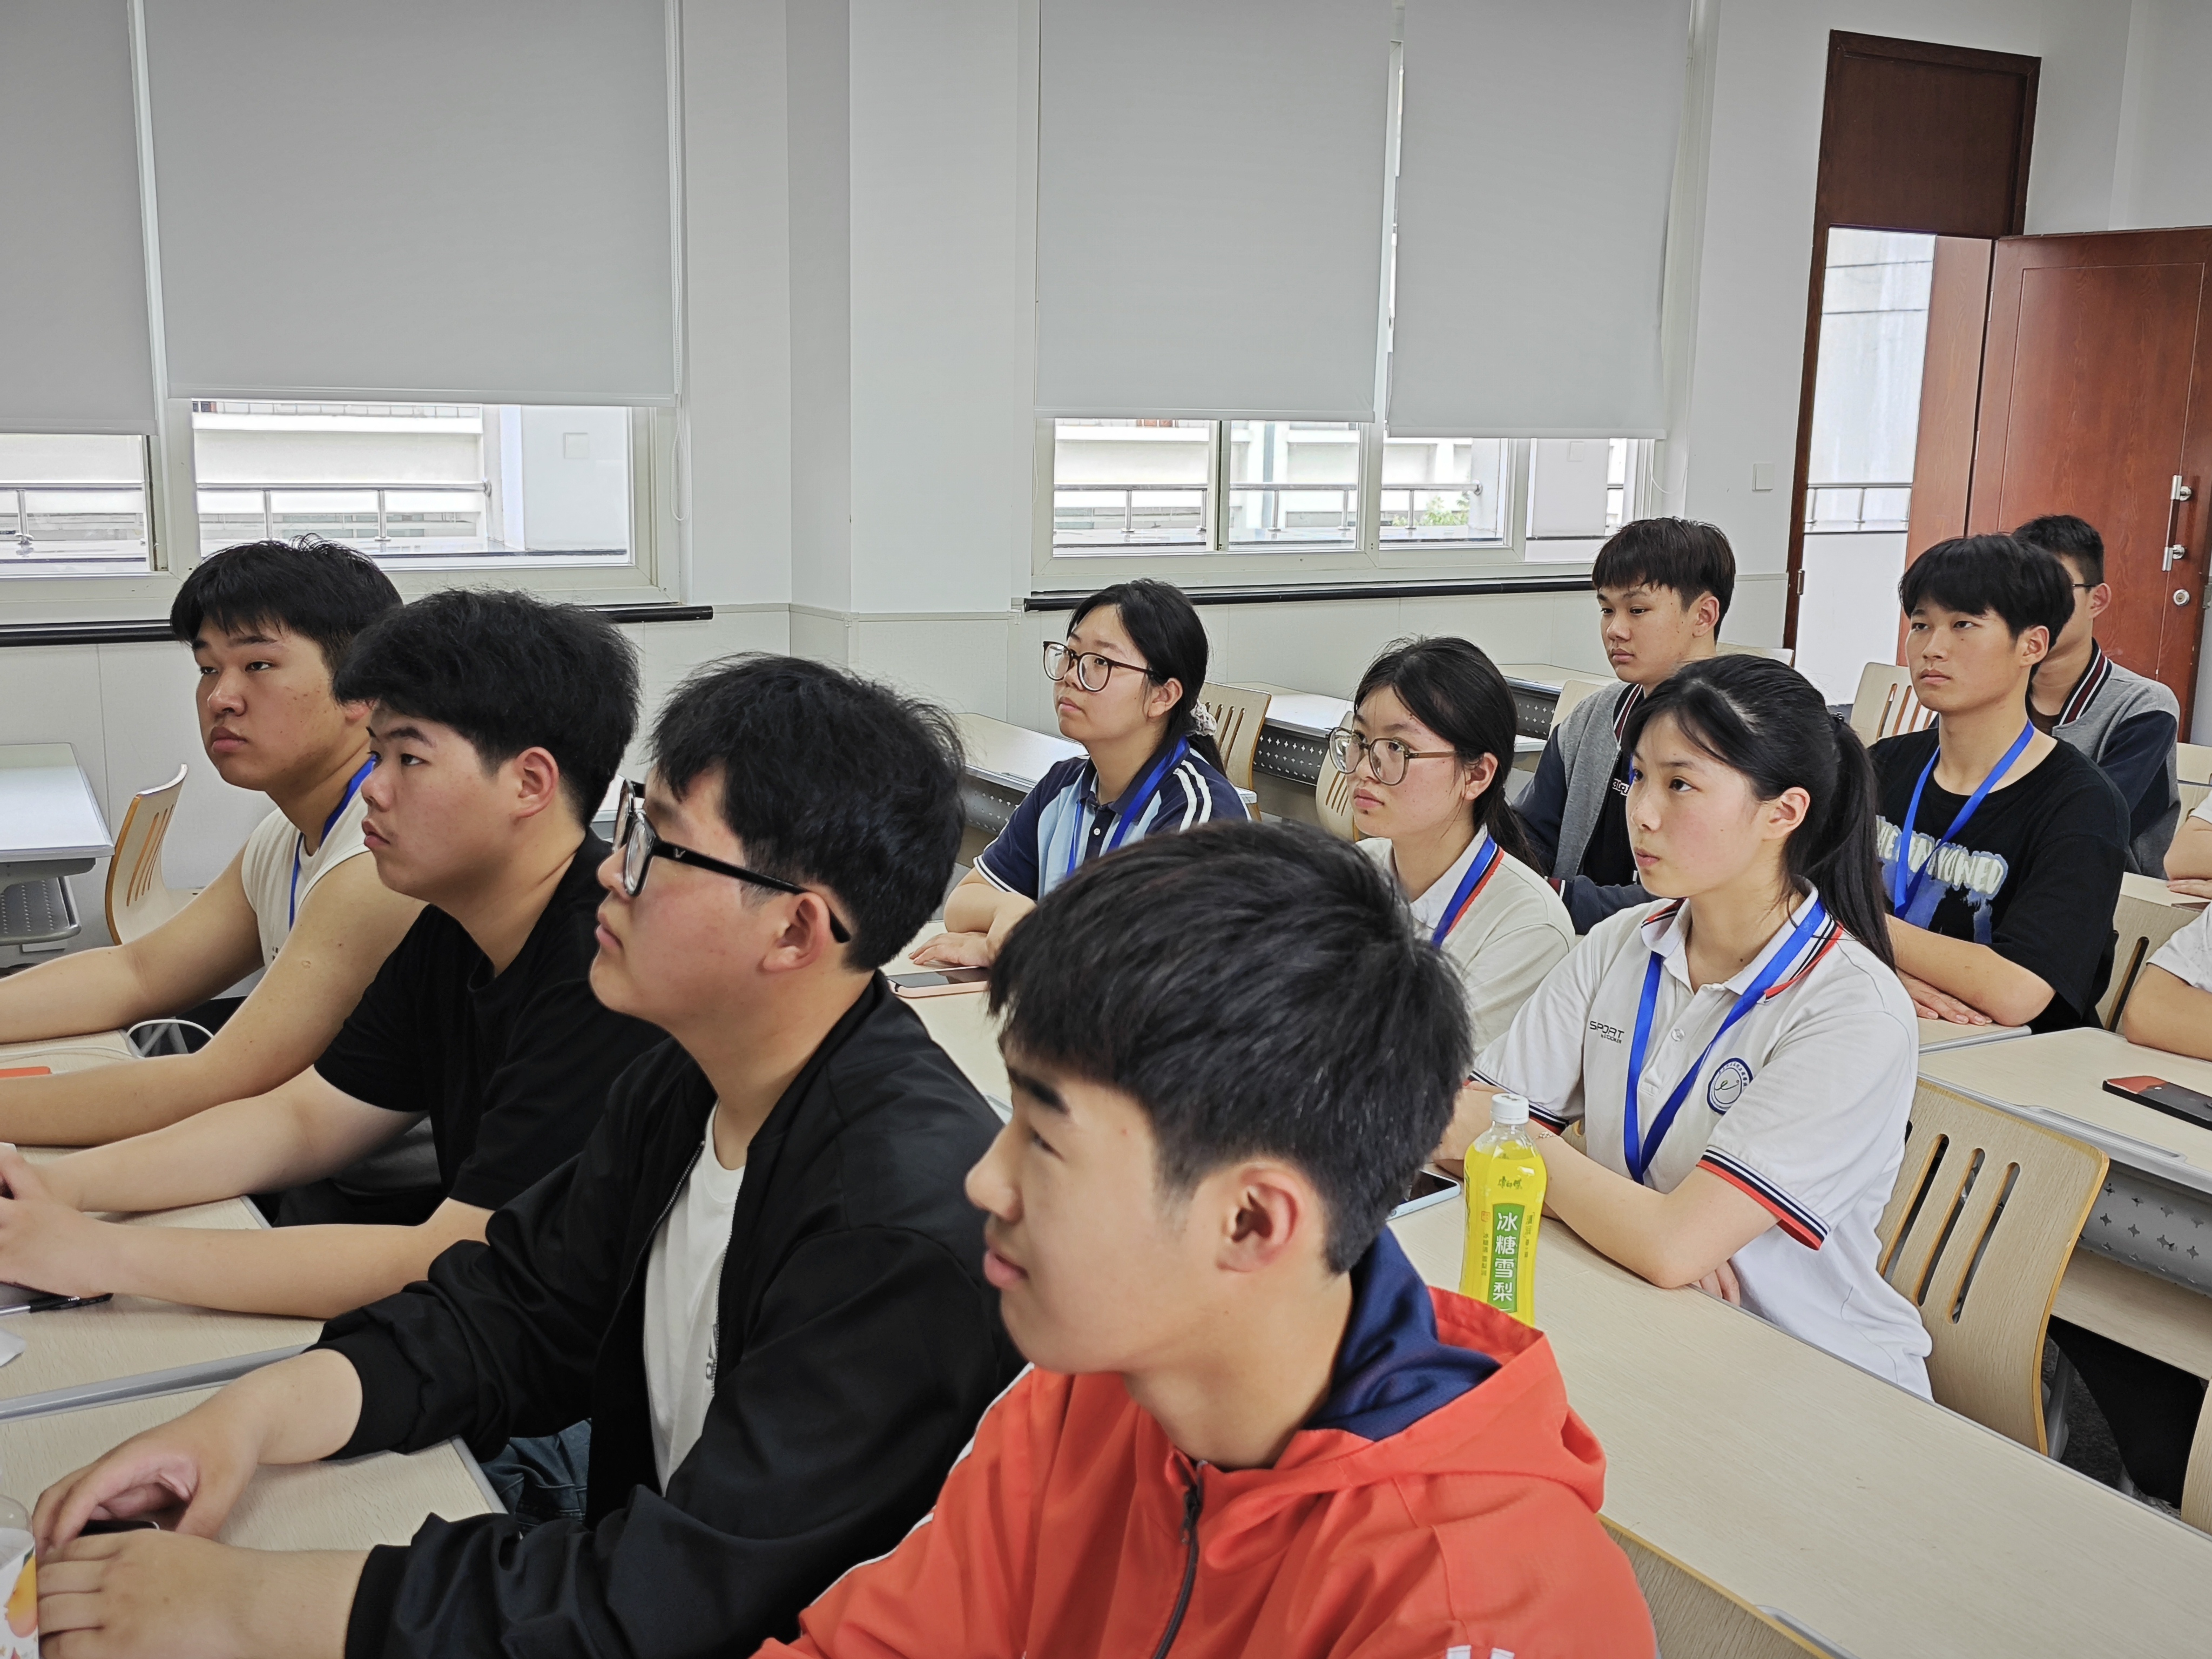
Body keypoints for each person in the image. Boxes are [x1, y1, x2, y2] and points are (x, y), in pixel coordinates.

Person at [31, 656, 1023, 1659]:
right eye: (630, 827)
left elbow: (672, 1598)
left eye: (658, 847)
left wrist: (246, 1606)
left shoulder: (894, 1229)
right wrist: (243, 1422)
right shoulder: (687, 1084)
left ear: (795, 929)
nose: (610, 871)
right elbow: (508, 1311)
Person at [754, 821, 1655, 1658]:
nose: (986, 1181)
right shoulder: (1101, 1381)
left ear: (1252, 1222)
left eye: (1045, 1139)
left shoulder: (1469, 1609)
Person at [0, 590, 665, 1317]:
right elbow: (303, 1120)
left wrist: (95, 1251)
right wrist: (53, 1188)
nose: (373, 789)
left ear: (529, 784)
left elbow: (456, 1256)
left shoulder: (607, 972)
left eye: (409, 758)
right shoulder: (455, 924)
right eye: (377, 755)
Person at [1442, 656, 1931, 1391]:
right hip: (1639, 1309)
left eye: (1680, 784)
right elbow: (1457, 1129)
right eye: (1638, 776)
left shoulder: (1853, 1010)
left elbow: (1671, 1246)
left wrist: (1528, 1155)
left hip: (1810, 1371)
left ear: (1783, 813)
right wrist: (1643, 1228)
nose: (1641, 811)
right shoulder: (1620, 941)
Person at [0, 540, 428, 1203]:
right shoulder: (288, 829)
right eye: (207, 669)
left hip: (401, 1207)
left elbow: (217, 1083)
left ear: (363, 689)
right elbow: (139, 973)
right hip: (318, 1173)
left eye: (258, 665)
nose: (221, 697)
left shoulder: (379, 859)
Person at [911, 578, 1246, 968]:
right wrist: (1010, 909)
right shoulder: (1064, 785)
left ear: (1163, 696)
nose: (1071, 675)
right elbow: (962, 904)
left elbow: (1145, 960)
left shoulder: (1199, 812)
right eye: (1071, 654)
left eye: (1101, 662)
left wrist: (1014, 945)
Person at [1871, 536, 2130, 1032]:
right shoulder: (1881, 764)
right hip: (1885, 1018)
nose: (1932, 649)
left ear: (2032, 645)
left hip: (2010, 1054)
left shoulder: (2083, 803)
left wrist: (1858, 937)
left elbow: (2017, 991)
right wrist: (1879, 970)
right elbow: (1783, 903)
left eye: (1963, 625)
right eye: (1921, 625)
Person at [1336, 636, 1573, 1048]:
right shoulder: (1355, 870)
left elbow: (1433, 1070)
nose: (1365, 769)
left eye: (1397, 748)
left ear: (1476, 775)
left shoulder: (1529, 925)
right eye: (1360, 740)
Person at [1514, 517, 1734, 933]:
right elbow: (1530, 834)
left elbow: (1687, 901)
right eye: (1606, 610)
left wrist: (1549, 898)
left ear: (1703, 616)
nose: (1615, 630)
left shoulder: (1739, 739)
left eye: (1637, 610)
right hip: (1573, 941)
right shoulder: (1592, 719)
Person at [2012, 514, 2180, 875]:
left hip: (2103, 890)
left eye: (2054, 588)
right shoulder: (1988, 689)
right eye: (2020, 589)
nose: (2033, 605)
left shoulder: (2145, 705)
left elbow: (2090, 823)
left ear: (2097, 600)